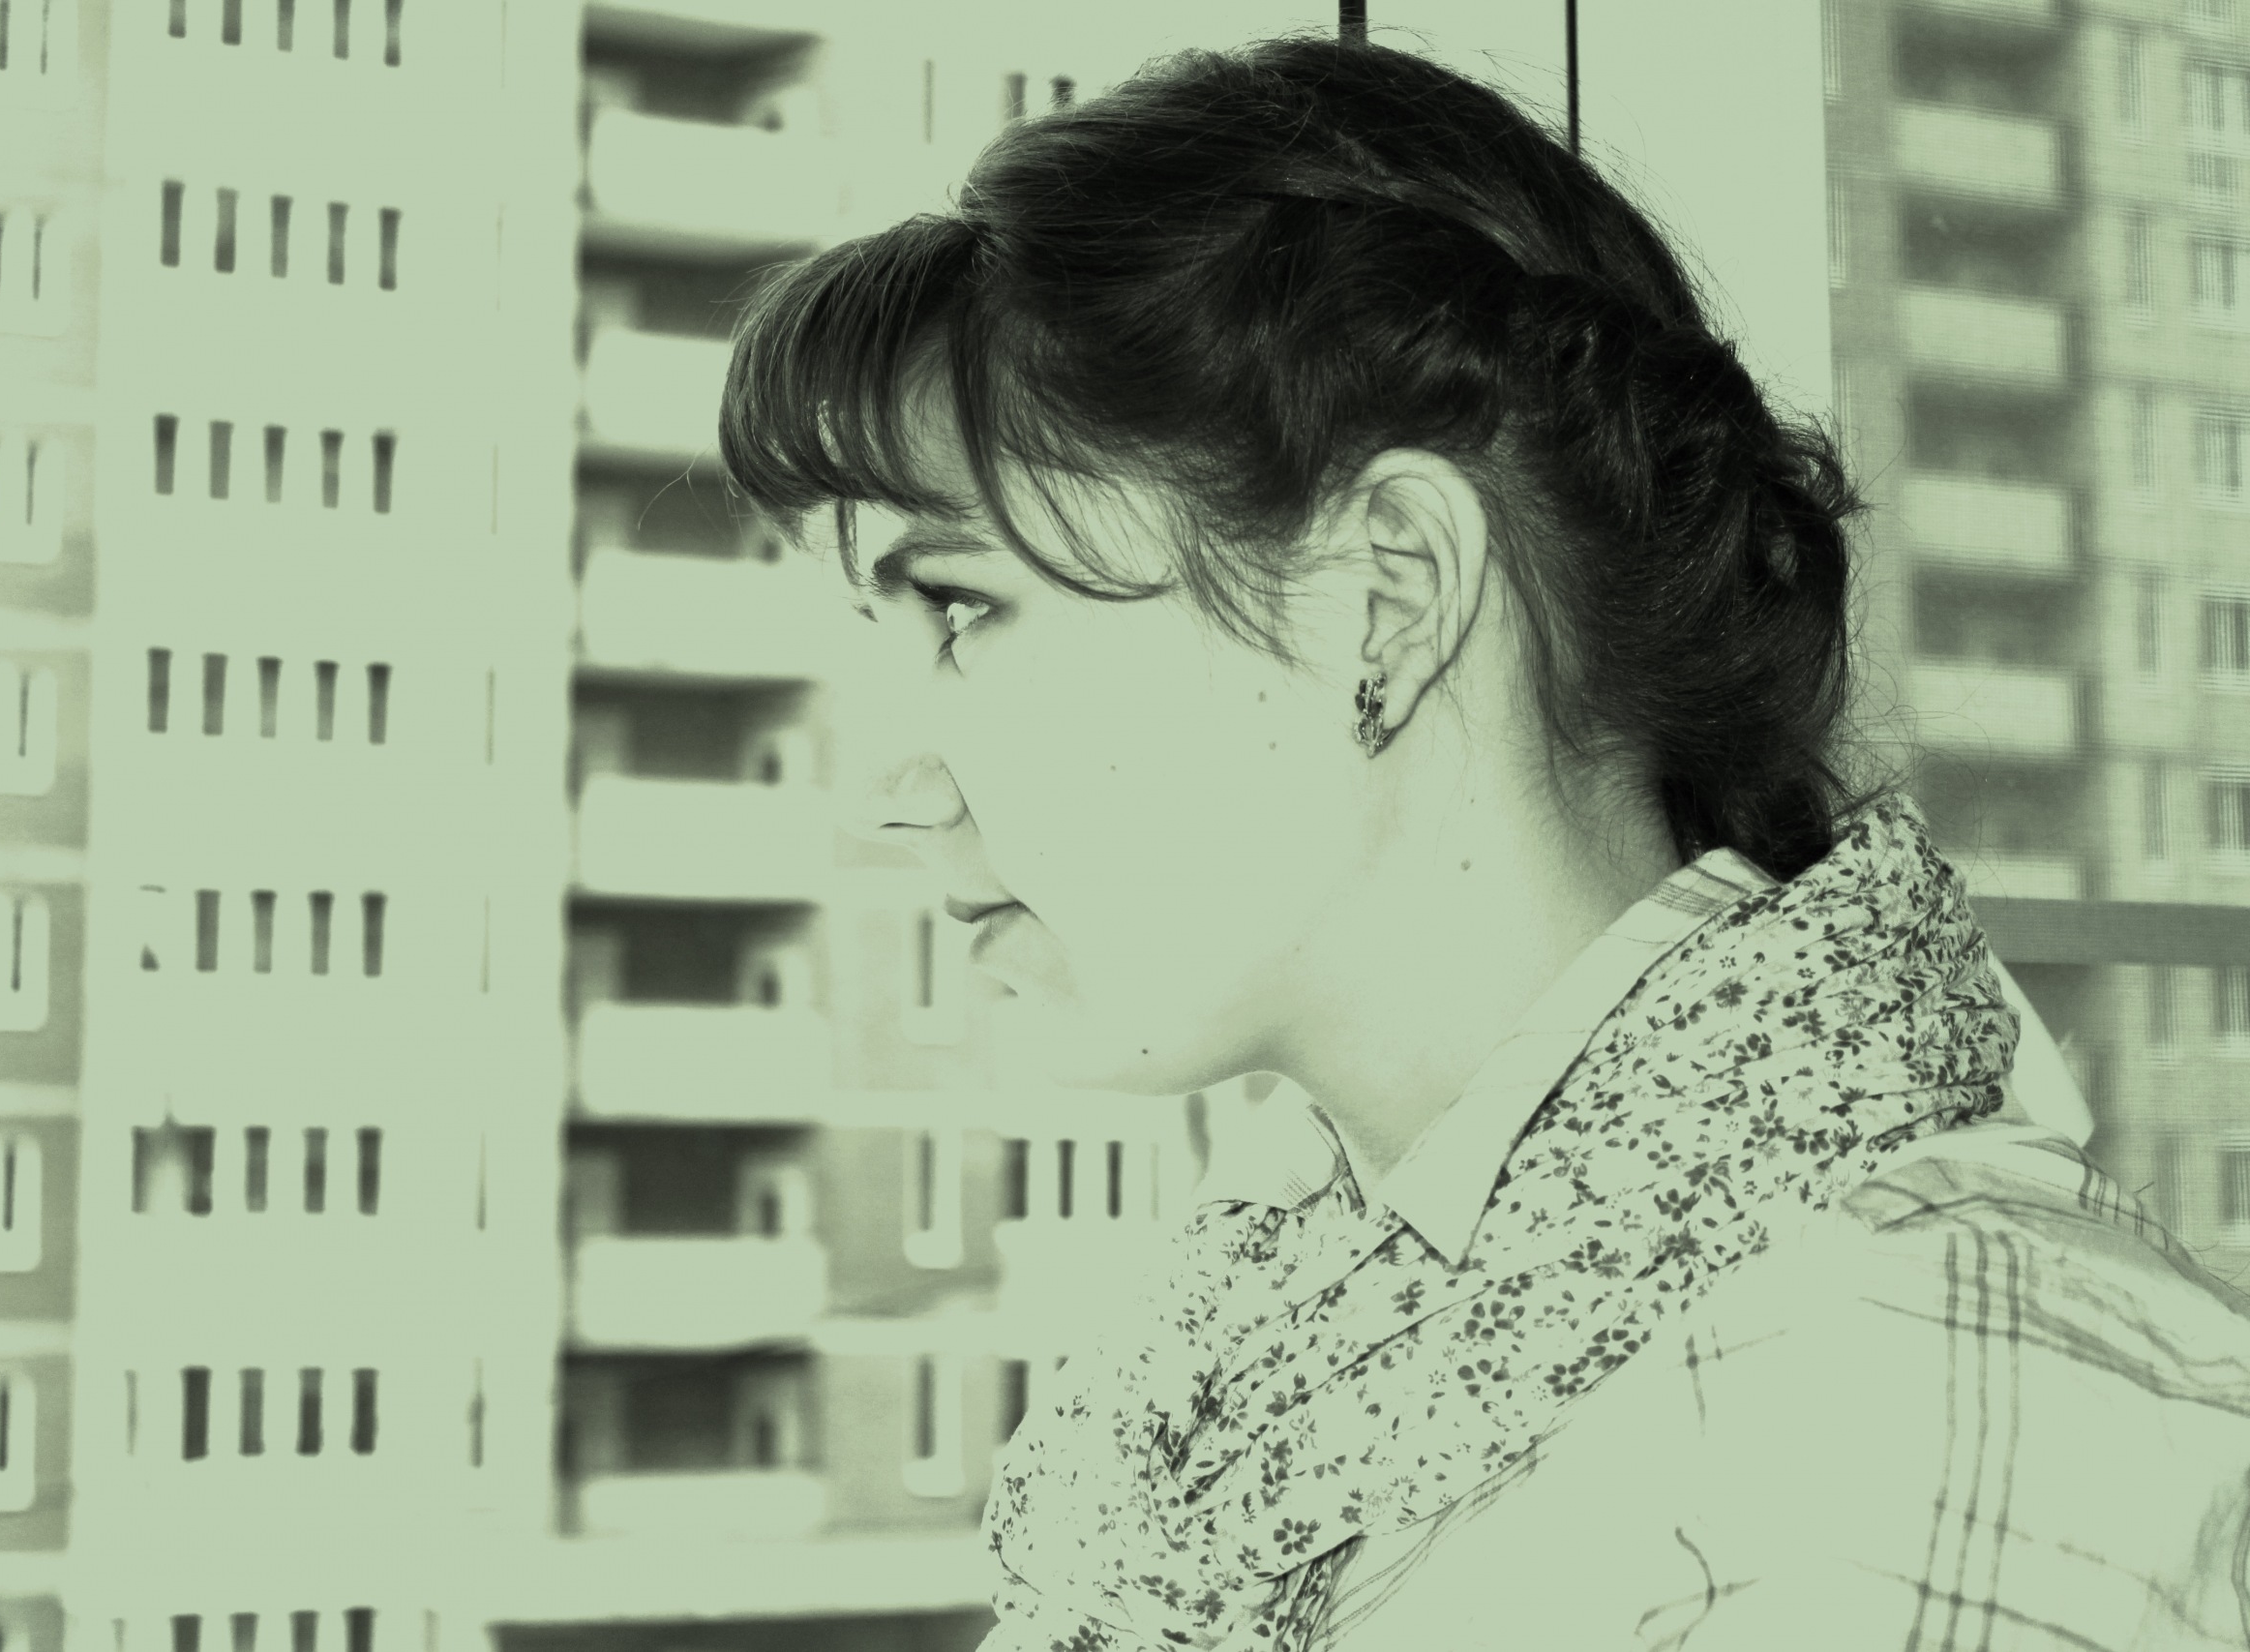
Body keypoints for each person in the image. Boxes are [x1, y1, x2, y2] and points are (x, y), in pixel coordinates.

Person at [715, 31, 2250, 1651]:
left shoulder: (1905, 1442)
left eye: (961, 608)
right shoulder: (1254, 1370)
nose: (894, 789)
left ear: (1389, 590)